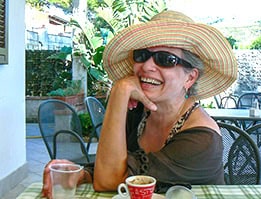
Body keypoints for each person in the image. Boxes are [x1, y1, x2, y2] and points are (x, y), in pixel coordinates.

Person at [42, 10, 237, 198]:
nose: (147, 66)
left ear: (190, 77)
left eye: (165, 59)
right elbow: (120, 163)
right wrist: (83, 173)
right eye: (141, 55)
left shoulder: (202, 139)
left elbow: (109, 181)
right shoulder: (139, 112)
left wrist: (119, 91)